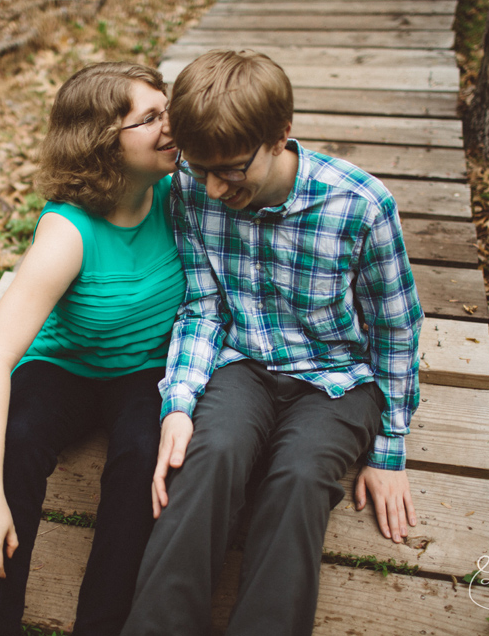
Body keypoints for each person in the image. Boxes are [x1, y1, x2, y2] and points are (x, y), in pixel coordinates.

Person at [120, 50, 424, 636]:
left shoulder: (360, 206)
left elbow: (395, 330)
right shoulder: (191, 185)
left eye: (230, 168)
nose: (211, 188)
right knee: (208, 458)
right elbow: (203, 305)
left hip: (337, 379)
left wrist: (388, 450)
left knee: (300, 477)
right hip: (243, 362)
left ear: (281, 134)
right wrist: (179, 403)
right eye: (200, 167)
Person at [0, 62, 185, 636]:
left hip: (145, 369)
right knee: (22, 436)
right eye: (150, 118)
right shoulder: (68, 232)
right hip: (65, 364)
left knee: (143, 456)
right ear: (103, 142)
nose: (170, 126)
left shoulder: (181, 192)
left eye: (166, 107)